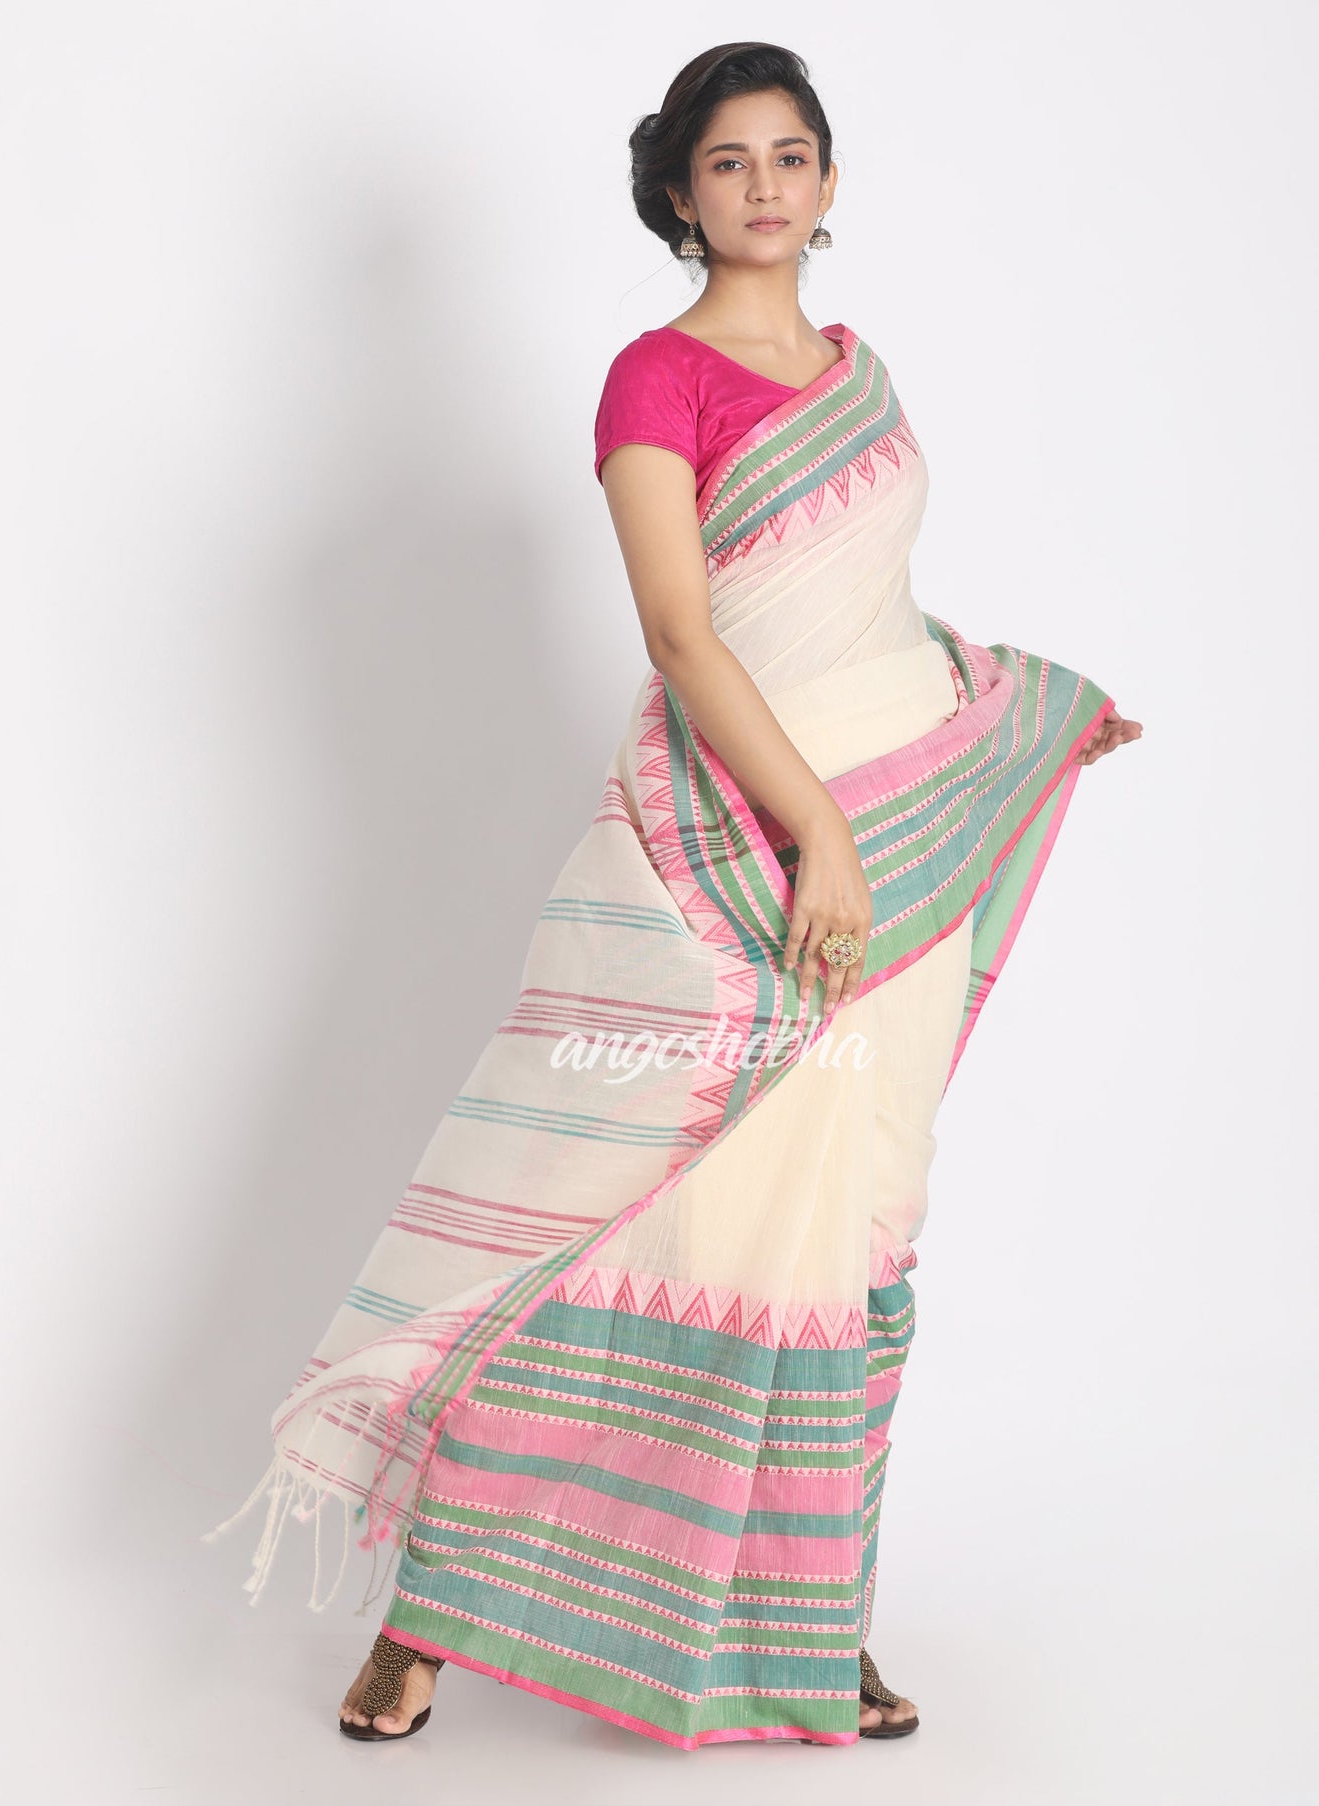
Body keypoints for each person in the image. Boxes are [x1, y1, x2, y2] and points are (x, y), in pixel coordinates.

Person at [202, 40, 1141, 1751]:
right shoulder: (655, 376)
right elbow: (683, 633)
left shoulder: (861, 374)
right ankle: (429, 1617)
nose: (763, 185)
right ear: (678, 192)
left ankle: (812, 1624)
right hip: (739, 846)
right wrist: (817, 832)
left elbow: (872, 619)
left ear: (829, 181)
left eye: (790, 154)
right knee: (622, 1212)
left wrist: (1019, 706)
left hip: (892, 860)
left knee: (853, 1232)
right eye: (728, 161)